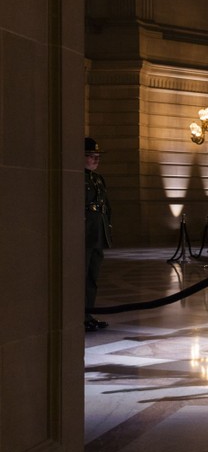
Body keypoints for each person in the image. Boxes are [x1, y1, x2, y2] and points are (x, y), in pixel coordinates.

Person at [84, 137, 112, 332]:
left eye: (97, 157)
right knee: (81, 276)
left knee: (92, 277)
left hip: (97, 233)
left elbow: (106, 208)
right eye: (91, 156)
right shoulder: (75, 177)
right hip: (84, 235)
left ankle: (87, 314)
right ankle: (80, 315)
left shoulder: (98, 179)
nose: (96, 160)